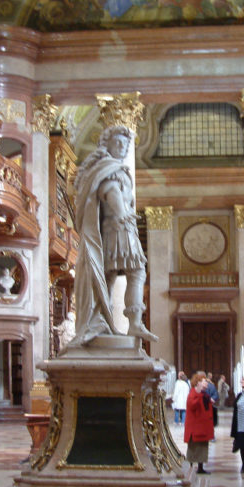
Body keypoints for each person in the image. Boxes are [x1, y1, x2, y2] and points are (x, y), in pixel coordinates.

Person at [72, 124, 158, 345]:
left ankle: (108, 321)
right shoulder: (108, 169)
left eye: (125, 144)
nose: (122, 147)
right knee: (134, 271)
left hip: (122, 228)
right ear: (106, 145)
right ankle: (130, 323)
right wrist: (121, 213)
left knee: (110, 276)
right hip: (117, 228)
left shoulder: (115, 169)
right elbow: (110, 191)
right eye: (117, 142)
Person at [184, 371, 215, 474]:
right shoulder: (193, 393)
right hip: (195, 427)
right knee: (193, 447)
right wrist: (199, 395)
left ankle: (200, 467)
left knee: (202, 447)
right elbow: (192, 405)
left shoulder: (204, 394)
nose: (206, 383)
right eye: (204, 381)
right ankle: (191, 467)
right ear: (198, 383)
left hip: (203, 426)